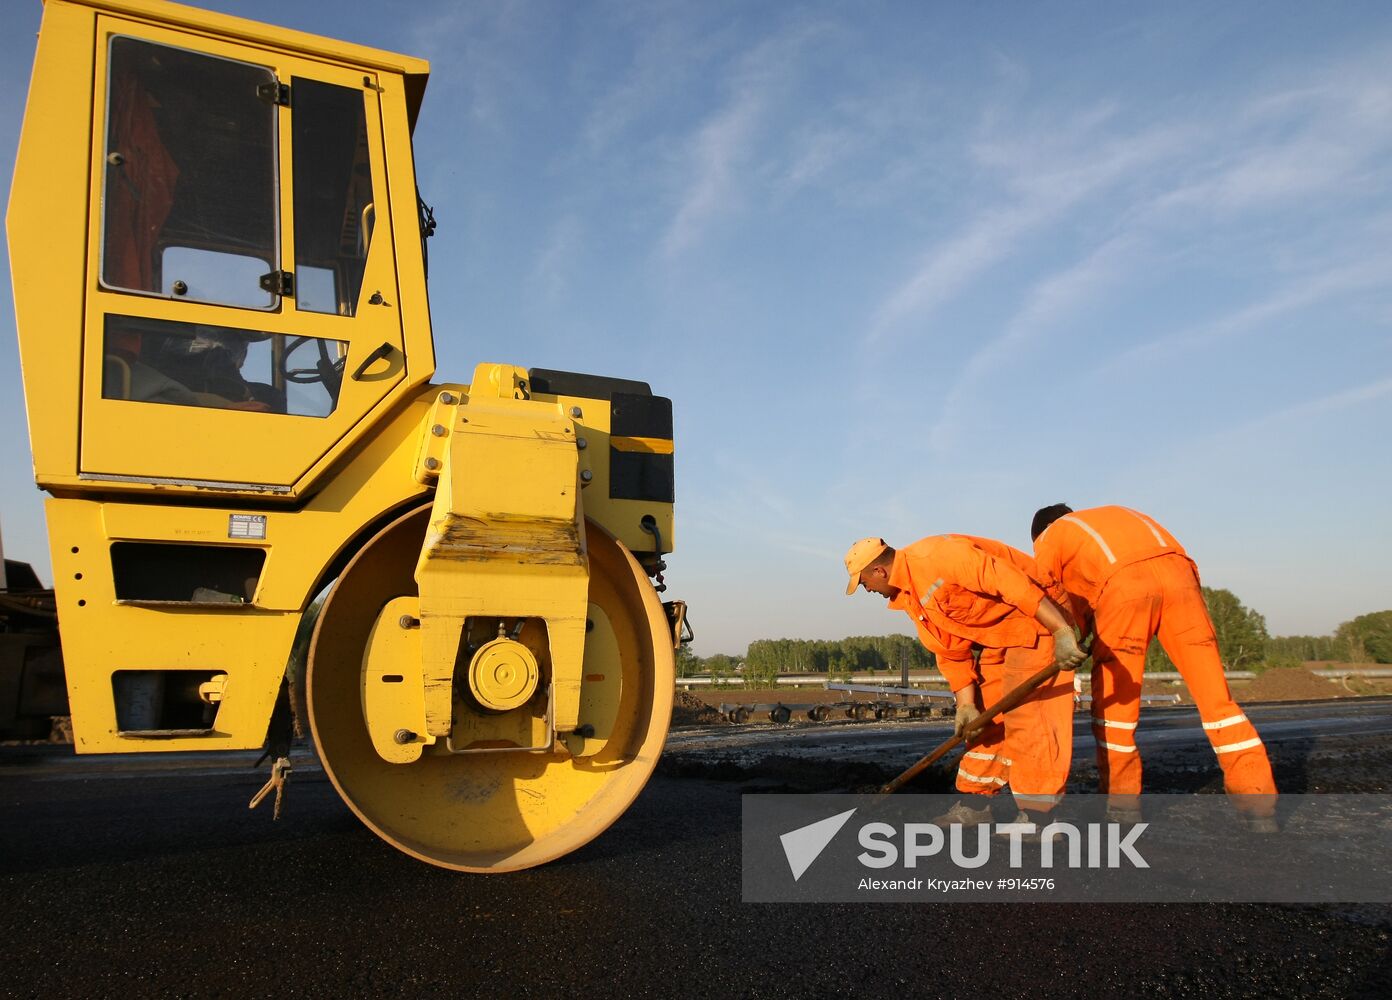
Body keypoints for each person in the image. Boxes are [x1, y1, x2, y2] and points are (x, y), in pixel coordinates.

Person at [1030, 504, 1277, 827]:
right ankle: (1258, 803)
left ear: (1040, 532)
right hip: (1182, 581)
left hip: (1124, 588)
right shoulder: (1116, 515)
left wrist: (1073, 636)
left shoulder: (1051, 536)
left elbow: (1049, 597)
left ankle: (1121, 805)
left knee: (1116, 708)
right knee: (1217, 700)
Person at [844, 535, 1087, 824]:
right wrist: (966, 705)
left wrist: (1060, 629)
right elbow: (949, 650)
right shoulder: (910, 597)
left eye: (864, 584)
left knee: (1030, 717)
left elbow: (1011, 583)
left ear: (879, 572)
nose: (867, 590)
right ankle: (976, 804)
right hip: (1002, 634)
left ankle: (1039, 818)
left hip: (1040, 615)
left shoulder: (938, 556)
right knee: (982, 720)